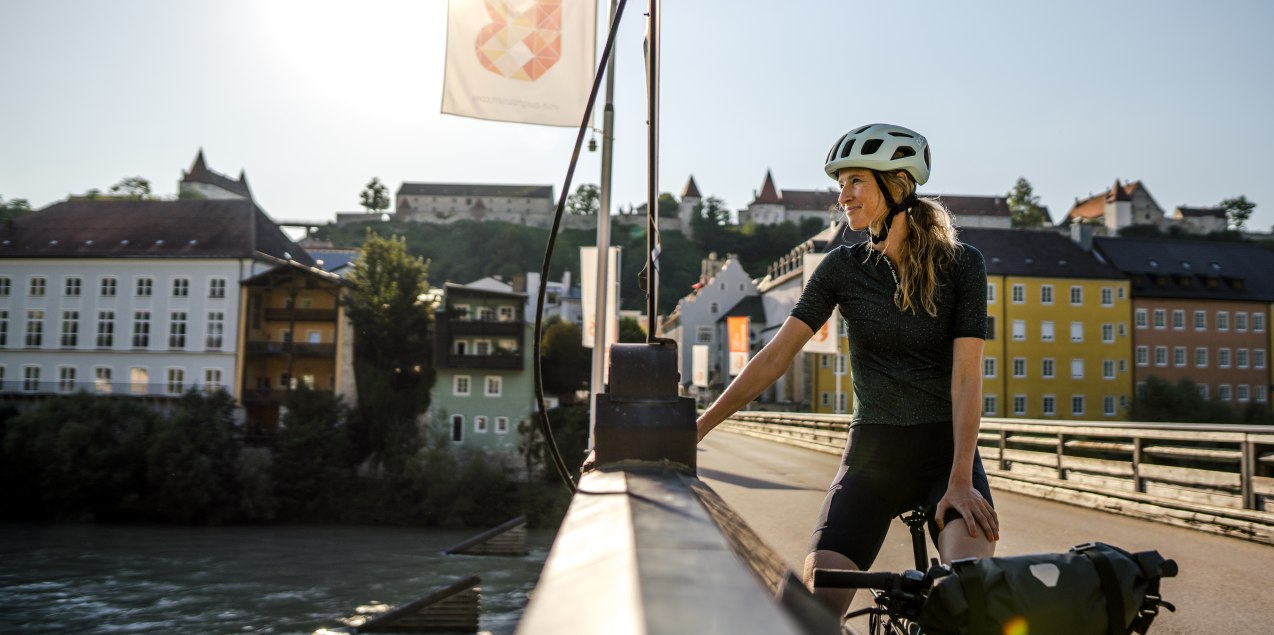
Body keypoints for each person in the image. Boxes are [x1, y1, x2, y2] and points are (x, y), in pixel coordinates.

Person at [694, 123, 999, 616]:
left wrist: (961, 480)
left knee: (971, 594)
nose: (844, 195)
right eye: (841, 184)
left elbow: (966, 379)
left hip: (947, 458)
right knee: (814, 607)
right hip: (872, 457)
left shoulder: (963, 264)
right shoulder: (840, 267)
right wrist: (698, 427)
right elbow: (775, 357)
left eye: (856, 181)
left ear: (896, 185)